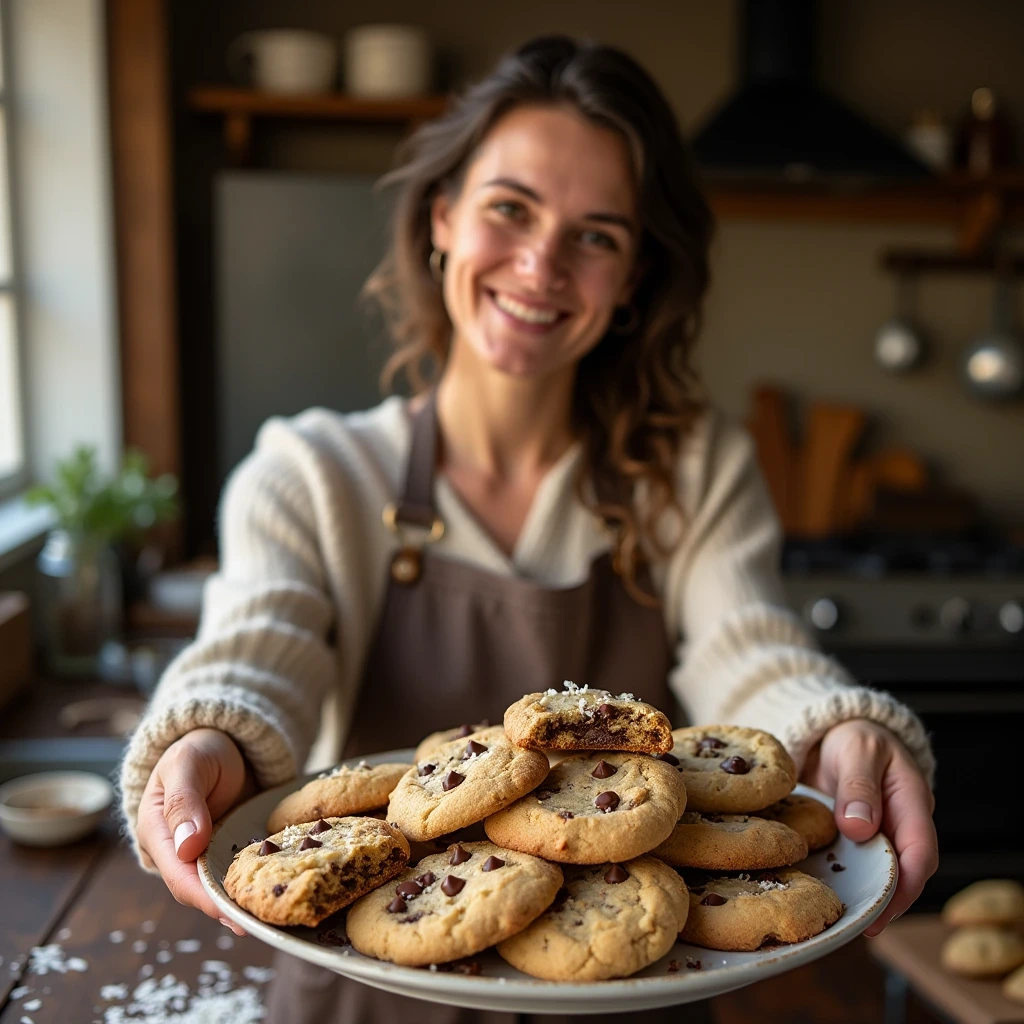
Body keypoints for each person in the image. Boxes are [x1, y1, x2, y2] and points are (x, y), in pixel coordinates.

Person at [120, 35, 938, 1024]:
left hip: (631, 986)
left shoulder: (691, 471)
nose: (541, 263)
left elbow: (748, 650)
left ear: (633, 277)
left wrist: (831, 724)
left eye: (596, 234)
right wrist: (210, 729)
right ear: (441, 220)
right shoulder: (312, 473)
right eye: (509, 208)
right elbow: (265, 647)